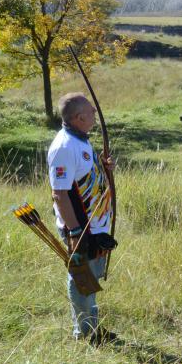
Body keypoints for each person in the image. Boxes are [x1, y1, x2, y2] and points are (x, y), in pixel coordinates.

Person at [47, 92, 118, 345]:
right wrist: (75, 232)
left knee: (92, 277)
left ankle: (92, 328)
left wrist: (102, 166)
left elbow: (81, 178)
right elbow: (60, 194)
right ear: (79, 118)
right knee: (81, 279)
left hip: (95, 225)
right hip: (80, 227)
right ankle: (84, 333)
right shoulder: (64, 147)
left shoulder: (80, 141)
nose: (94, 114)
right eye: (91, 111)